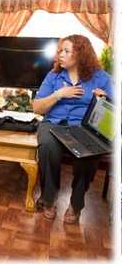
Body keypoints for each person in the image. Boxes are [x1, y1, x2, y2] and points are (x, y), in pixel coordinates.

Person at [32, 34, 113, 224]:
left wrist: (104, 99)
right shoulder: (53, 76)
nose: (61, 55)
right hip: (53, 123)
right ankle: (49, 198)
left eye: (66, 51)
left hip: (83, 127)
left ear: (81, 54)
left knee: (89, 153)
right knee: (47, 147)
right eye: (60, 50)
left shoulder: (101, 78)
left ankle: (76, 203)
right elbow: (37, 107)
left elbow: (115, 108)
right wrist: (58, 94)